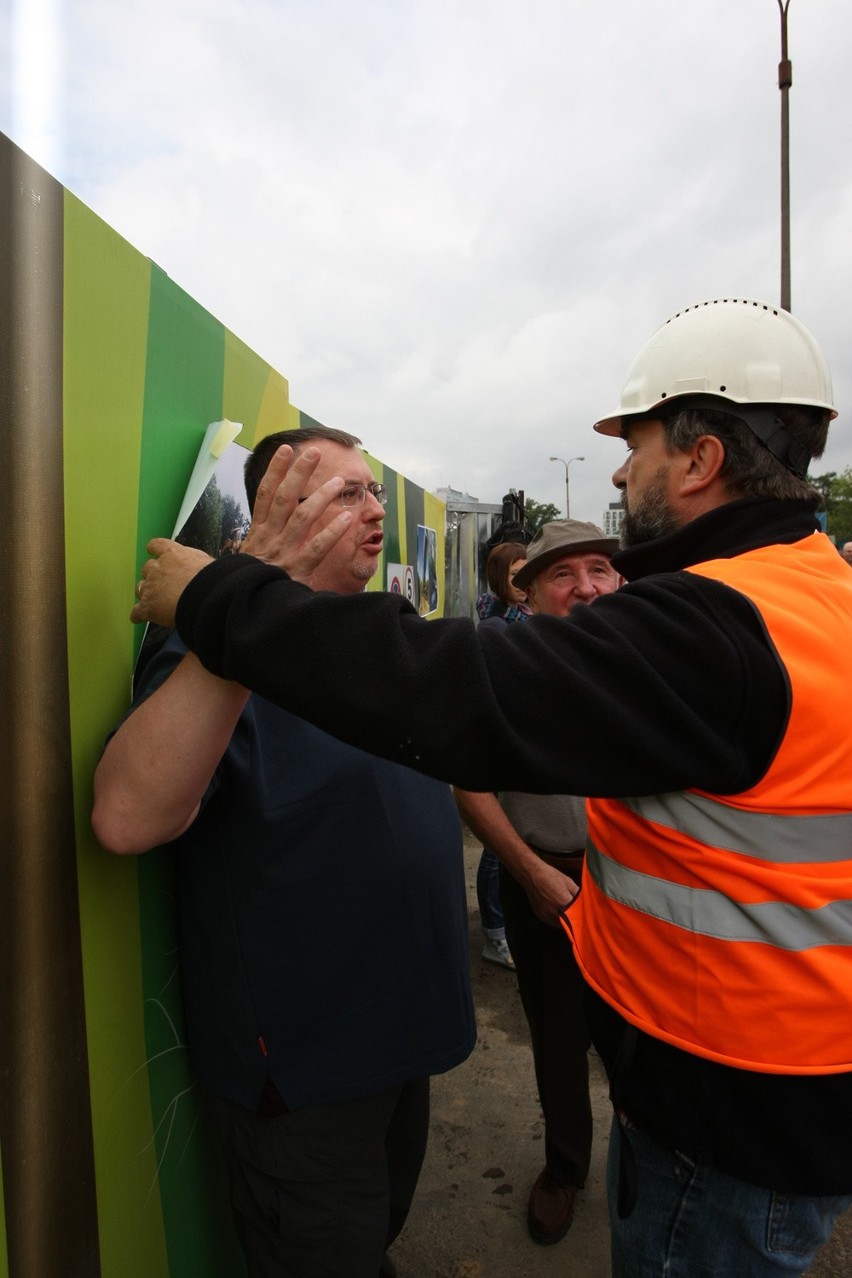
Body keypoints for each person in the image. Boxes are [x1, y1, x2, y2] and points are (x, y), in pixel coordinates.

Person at [128, 297, 852, 1277]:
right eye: (340, 491)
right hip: (749, 1092)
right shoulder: (812, 594)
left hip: (739, 1111)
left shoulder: (722, 622)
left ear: (699, 460)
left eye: (633, 445)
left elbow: (458, 694)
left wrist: (221, 595)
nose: (618, 470)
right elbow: (132, 810)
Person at [92, 425, 476, 1278]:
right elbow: (125, 817)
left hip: (401, 1042)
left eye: (373, 490)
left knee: (374, 1230)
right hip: (307, 1074)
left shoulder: (378, 632)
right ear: (278, 511)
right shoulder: (214, 651)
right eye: (348, 494)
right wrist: (244, 609)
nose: (375, 510)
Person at [456, 519, 618, 1247]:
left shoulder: (648, 656)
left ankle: (650, 1170)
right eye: (563, 573)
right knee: (558, 1040)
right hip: (548, 882)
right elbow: (472, 786)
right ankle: (565, 1169)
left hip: (645, 886)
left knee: (647, 1041)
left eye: (598, 570)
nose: (585, 586)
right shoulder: (501, 668)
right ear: (529, 590)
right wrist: (529, 874)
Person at [473, 541, 531, 970]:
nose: (524, 585)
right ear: (498, 579)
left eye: (529, 575)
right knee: (497, 848)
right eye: (515, 577)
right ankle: (495, 935)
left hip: (518, 745)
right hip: (500, 745)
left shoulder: (523, 618)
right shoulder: (495, 627)